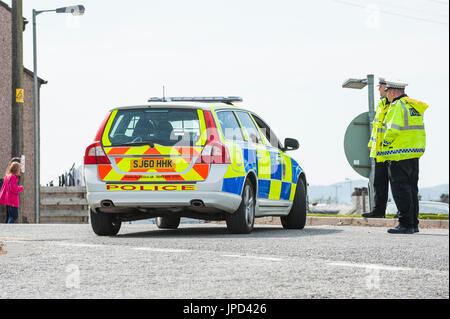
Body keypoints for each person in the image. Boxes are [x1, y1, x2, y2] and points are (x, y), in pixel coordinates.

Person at [377, 80, 428, 234]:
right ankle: (413, 223)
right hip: (413, 153)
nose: (387, 95)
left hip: (398, 153)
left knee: (400, 190)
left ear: (392, 92)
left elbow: (393, 129)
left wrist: (384, 143)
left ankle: (405, 224)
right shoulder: (413, 106)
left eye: (387, 92)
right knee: (412, 189)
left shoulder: (397, 106)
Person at [363, 78, 390, 218]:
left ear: (386, 87)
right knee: (379, 184)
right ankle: (378, 211)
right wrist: (371, 144)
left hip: (392, 152)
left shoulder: (394, 104)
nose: (378, 89)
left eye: (380, 86)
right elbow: (377, 128)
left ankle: (402, 213)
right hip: (379, 152)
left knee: (399, 186)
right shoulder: (381, 104)